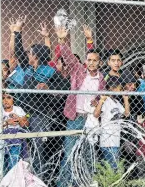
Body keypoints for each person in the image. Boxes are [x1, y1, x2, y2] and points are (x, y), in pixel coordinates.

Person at [12, 17, 70, 177]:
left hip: (40, 115)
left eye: (30, 53)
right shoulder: (28, 67)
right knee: (22, 146)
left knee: (38, 148)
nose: (28, 55)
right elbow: (18, 51)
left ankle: (39, 177)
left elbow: (65, 87)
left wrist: (48, 86)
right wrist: (18, 30)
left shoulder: (49, 71)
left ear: (36, 55)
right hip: (23, 113)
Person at [56, 25, 105, 187]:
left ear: (99, 62)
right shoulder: (78, 70)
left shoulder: (101, 79)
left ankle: (83, 183)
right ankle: (63, 184)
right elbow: (69, 57)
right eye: (89, 60)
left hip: (91, 120)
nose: (91, 63)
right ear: (85, 61)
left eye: (94, 60)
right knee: (70, 153)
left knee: (87, 154)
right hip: (75, 118)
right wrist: (62, 40)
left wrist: (97, 102)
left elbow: (102, 96)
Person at [94, 76, 130, 169]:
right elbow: (96, 114)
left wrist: (125, 99)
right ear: (113, 88)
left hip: (115, 140)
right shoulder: (106, 101)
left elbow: (126, 113)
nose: (121, 90)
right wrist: (101, 100)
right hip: (107, 141)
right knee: (113, 168)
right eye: (120, 88)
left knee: (111, 167)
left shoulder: (117, 102)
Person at [0, 92, 29, 172]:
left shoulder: (18, 109)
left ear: (13, 100)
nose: (5, 100)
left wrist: (19, 118)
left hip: (15, 138)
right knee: (1, 163)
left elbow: (26, 125)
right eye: (3, 98)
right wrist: (7, 123)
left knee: (13, 161)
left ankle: (11, 179)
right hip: (2, 137)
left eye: (9, 98)